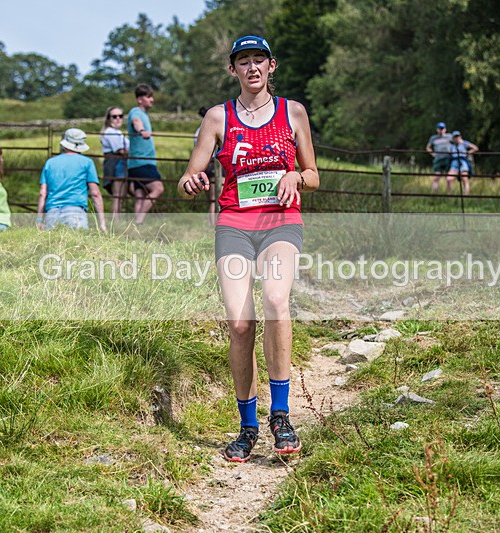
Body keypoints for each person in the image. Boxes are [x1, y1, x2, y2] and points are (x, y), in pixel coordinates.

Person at [177, 35, 319, 462]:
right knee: (240, 324)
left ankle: (281, 416)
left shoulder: (292, 111)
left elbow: (313, 174)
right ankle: (247, 426)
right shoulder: (218, 117)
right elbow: (187, 179)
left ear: (272, 65)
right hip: (235, 225)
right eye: (244, 61)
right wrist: (192, 182)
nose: (252, 67)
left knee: (275, 300)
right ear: (233, 69)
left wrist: (296, 176)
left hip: (280, 222)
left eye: (260, 59)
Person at [36, 128, 106, 231]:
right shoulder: (87, 163)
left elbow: (42, 193)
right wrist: (102, 223)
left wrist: (39, 220)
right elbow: (95, 193)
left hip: (52, 213)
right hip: (76, 213)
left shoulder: (50, 163)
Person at [127, 84, 164, 224]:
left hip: (137, 162)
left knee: (140, 196)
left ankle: (135, 228)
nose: (152, 99)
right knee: (158, 188)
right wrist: (141, 131)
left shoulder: (144, 114)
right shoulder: (136, 112)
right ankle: (139, 222)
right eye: (148, 97)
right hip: (142, 161)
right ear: (139, 99)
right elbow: (136, 122)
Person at [100, 106, 130, 219]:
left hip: (120, 163)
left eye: (120, 116)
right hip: (116, 164)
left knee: (120, 195)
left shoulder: (117, 132)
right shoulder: (110, 132)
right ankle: (115, 221)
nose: (118, 119)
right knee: (117, 195)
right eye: (114, 116)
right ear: (108, 118)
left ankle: (117, 219)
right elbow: (121, 150)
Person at [194, 106, 219, 225]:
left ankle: (210, 222)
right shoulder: (214, 129)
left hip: (203, 165)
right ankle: (212, 223)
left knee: (210, 198)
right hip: (214, 163)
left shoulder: (198, 130)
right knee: (215, 198)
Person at [447, 130, 478, 195]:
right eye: (455, 137)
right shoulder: (452, 146)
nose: (456, 138)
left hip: (463, 161)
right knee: (449, 179)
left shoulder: (465, 143)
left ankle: (466, 194)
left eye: (457, 136)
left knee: (464, 178)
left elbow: (475, 148)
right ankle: (450, 194)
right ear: (453, 138)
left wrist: (468, 153)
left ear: (460, 137)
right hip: (454, 162)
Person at [425, 122, 452, 193]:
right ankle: (434, 194)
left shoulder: (449, 136)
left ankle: (450, 194)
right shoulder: (433, 138)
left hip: (447, 158)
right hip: (438, 159)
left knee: (449, 178)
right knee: (436, 177)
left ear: (445, 129)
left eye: (442, 128)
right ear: (437, 130)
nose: (441, 130)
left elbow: (457, 142)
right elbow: (428, 147)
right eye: (439, 129)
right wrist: (433, 154)